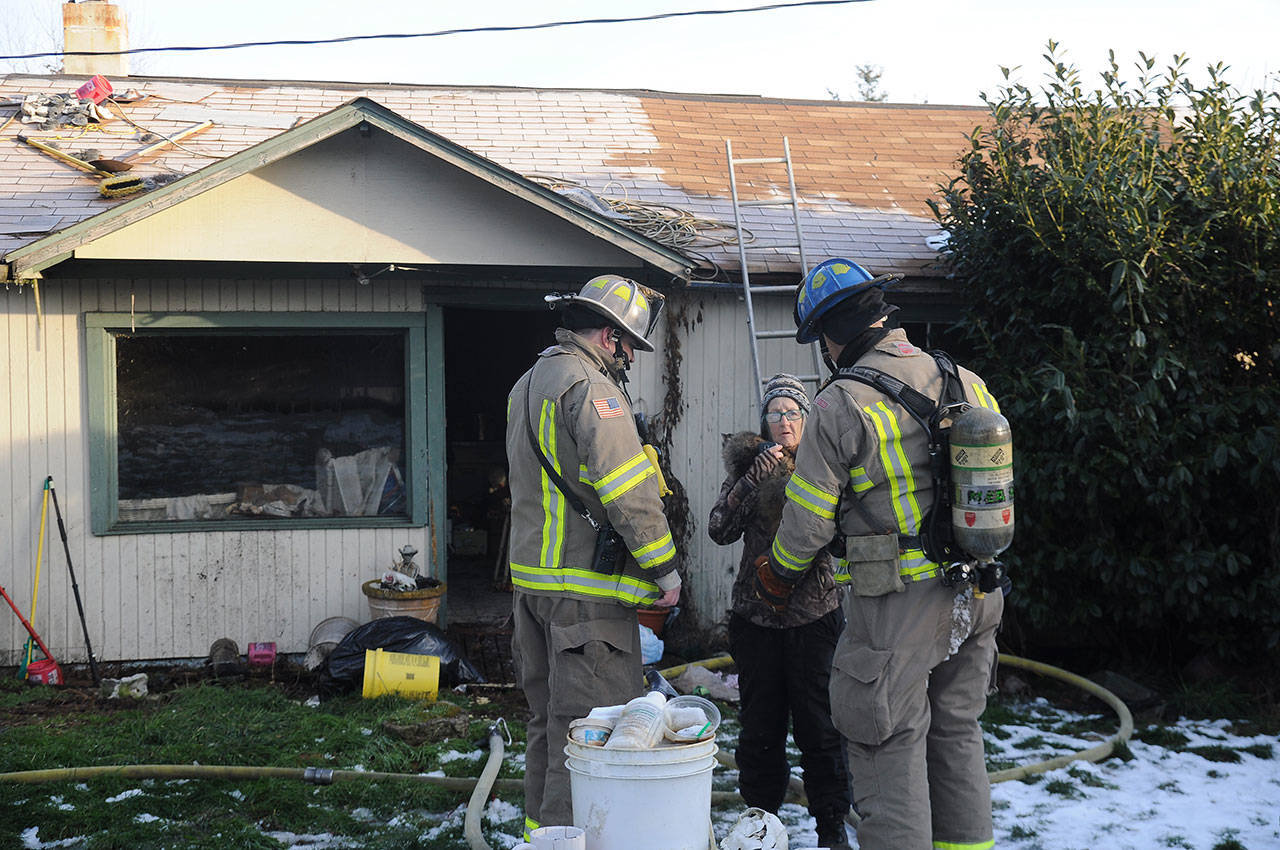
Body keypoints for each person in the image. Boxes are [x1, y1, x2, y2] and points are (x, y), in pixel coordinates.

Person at [755, 258, 1005, 850]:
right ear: (882, 314)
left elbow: (809, 519)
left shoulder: (840, 403)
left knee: (884, 743)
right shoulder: (966, 379)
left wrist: (778, 575)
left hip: (896, 606)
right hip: (978, 589)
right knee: (956, 734)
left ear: (832, 336)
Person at [505, 274, 682, 841]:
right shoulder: (593, 389)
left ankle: (542, 833)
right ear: (609, 336)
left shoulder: (528, 383)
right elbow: (628, 491)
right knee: (588, 734)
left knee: (546, 724)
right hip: (585, 601)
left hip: (532, 593)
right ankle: (574, 838)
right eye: (630, 346)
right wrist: (665, 570)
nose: (630, 358)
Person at [707, 373, 853, 850]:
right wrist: (751, 479)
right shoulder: (751, 468)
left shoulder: (824, 463)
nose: (784, 422)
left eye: (792, 412)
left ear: (807, 418)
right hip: (756, 622)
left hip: (813, 618)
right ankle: (760, 824)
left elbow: (842, 534)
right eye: (775, 414)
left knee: (820, 727)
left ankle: (831, 825)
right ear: (765, 422)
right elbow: (719, 529)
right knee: (760, 729)